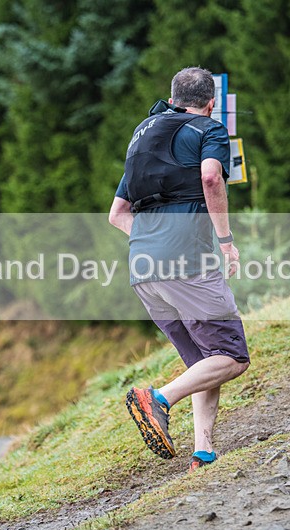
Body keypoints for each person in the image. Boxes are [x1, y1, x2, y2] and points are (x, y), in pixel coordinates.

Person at [108, 67, 250, 472]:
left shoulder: (143, 137)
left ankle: (203, 452)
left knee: (207, 360)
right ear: (210, 104)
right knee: (232, 357)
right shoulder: (209, 128)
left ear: (172, 98)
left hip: (143, 268)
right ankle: (159, 399)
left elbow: (117, 214)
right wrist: (225, 241)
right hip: (187, 260)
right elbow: (210, 177)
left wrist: (154, 241)